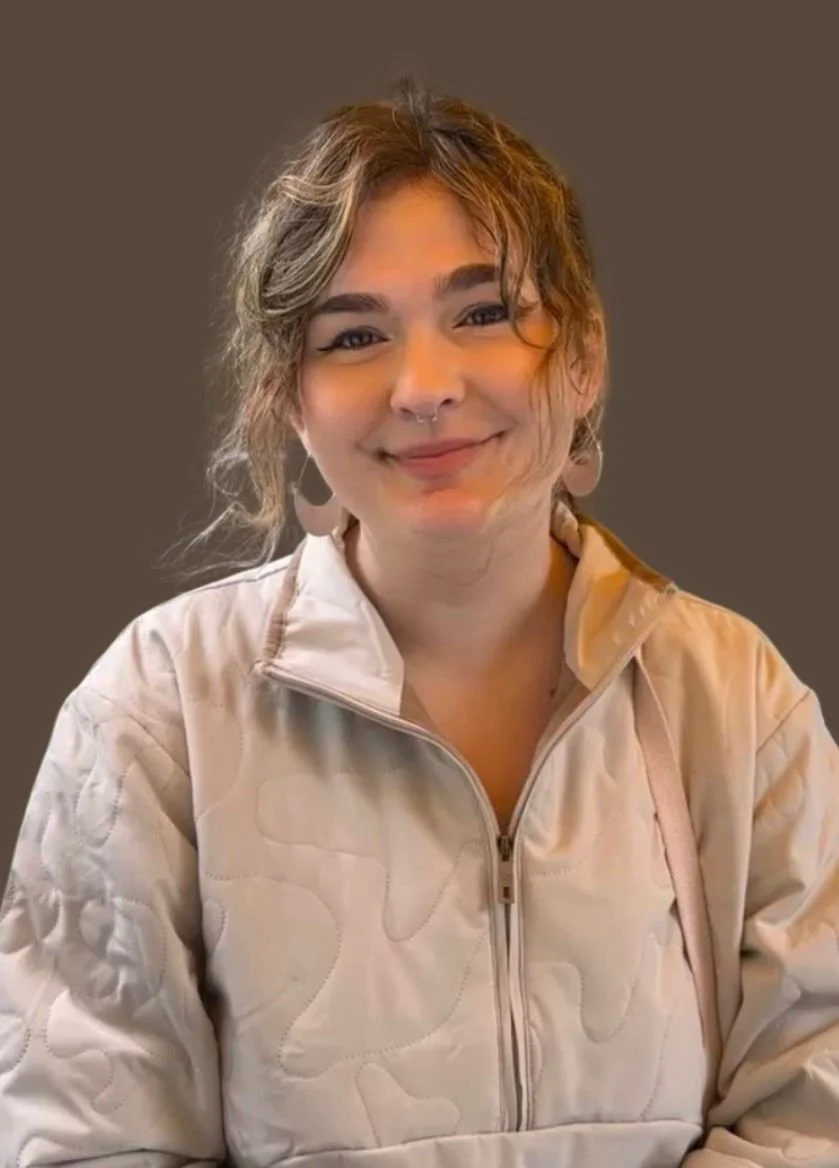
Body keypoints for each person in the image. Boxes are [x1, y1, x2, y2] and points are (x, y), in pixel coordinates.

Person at [0, 76, 836, 1168]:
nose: (423, 385)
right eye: (352, 336)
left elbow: (811, 1098)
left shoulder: (735, 698)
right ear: (288, 399)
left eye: (483, 313)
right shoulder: (154, 711)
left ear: (581, 357)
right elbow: (85, 1134)